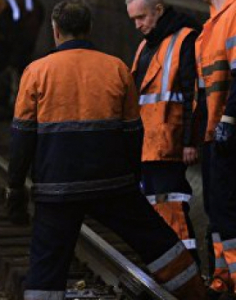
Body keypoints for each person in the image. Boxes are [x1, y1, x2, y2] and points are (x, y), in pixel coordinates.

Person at [5, 1, 207, 299]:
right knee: (157, 241)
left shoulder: (36, 72)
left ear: (55, 30)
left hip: (56, 187)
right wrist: (130, 179)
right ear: (89, 28)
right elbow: (132, 132)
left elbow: (22, 138)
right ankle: (195, 293)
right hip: (112, 182)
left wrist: (16, 188)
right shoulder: (116, 68)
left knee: (46, 265)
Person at [126, 0, 201, 264]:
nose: (138, 25)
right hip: (148, 142)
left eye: (142, 17)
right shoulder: (146, 46)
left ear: (158, 9)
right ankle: (172, 272)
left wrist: (190, 141)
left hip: (169, 141)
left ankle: (187, 269)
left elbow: (193, 95)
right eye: (133, 19)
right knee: (157, 208)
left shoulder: (184, 40)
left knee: (171, 205)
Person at [196, 0, 236, 299]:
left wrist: (228, 121)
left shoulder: (232, 14)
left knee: (228, 209)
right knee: (218, 210)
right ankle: (224, 276)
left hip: (228, 132)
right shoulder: (210, 26)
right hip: (216, 133)